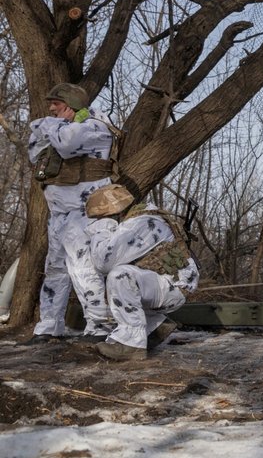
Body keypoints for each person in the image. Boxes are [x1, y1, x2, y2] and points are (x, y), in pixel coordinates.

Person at [21, 83, 115, 345]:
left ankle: (98, 325)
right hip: (60, 212)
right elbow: (34, 151)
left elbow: (66, 144)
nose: (51, 109)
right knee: (55, 269)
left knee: (83, 267)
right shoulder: (66, 125)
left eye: (57, 105)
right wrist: (49, 127)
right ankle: (50, 325)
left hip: (85, 210)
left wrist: (45, 125)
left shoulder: (95, 126)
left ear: (73, 106)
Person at [84, 184, 199, 361]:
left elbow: (102, 262)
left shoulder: (140, 224)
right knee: (125, 274)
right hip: (169, 285)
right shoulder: (146, 218)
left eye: (99, 217)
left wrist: (102, 228)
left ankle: (131, 344)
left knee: (120, 275)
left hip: (172, 288)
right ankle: (155, 326)